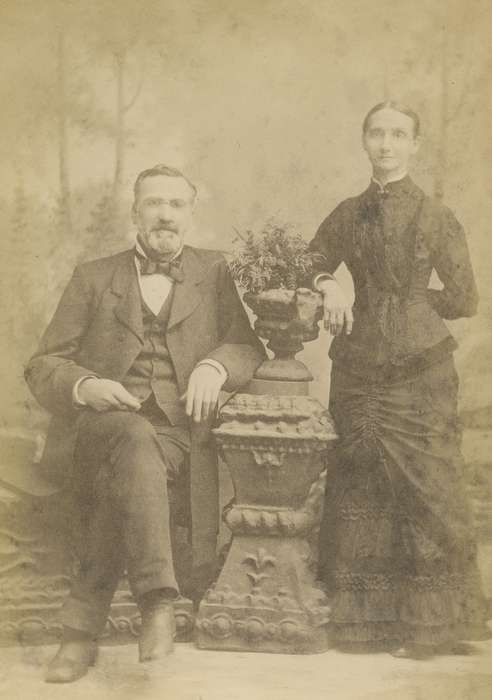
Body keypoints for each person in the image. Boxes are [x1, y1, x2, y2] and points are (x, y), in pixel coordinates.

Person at [24, 164, 265, 682]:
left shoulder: (215, 271)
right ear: (135, 212)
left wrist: (215, 365)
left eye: (176, 205)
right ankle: (159, 600)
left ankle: (79, 633)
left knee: (134, 465)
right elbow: (43, 364)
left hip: (178, 434)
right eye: (154, 203)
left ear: (191, 213)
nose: (165, 214)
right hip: (98, 428)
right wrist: (86, 386)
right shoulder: (94, 276)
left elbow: (248, 346)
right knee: (131, 437)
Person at [310, 102, 490, 658]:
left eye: (398, 135)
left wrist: (412, 302)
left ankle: (437, 627)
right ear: (364, 141)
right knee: (362, 478)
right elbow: (308, 259)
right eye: (377, 133)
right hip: (359, 370)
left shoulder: (436, 214)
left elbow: (465, 299)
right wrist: (328, 283)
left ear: (415, 145)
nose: (386, 144)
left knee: (429, 483)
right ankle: (368, 623)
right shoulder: (347, 212)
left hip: (421, 370)